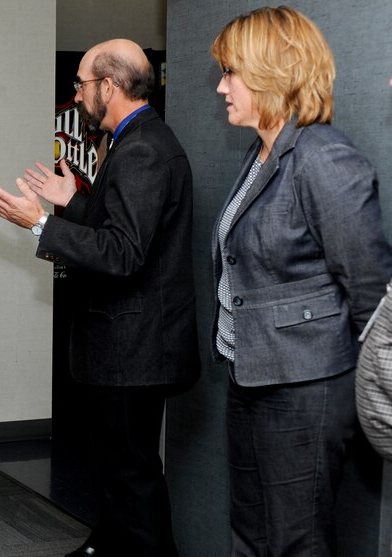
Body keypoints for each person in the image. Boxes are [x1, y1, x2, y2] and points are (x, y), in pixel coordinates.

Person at [0, 38, 199, 556]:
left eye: (80, 84)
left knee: (133, 476)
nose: (76, 95)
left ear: (109, 86)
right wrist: (76, 201)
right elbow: (122, 228)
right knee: (123, 474)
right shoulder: (134, 140)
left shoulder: (143, 148)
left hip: (135, 349)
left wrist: (38, 223)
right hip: (126, 346)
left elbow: (123, 253)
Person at [210, 7, 392, 555]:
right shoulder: (262, 153)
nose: (221, 87)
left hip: (306, 388)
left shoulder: (324, 158)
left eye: (230, 73)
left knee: (297, 541)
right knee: (250, 529)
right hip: (251, 375)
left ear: (272, 72)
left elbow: (372, 293)